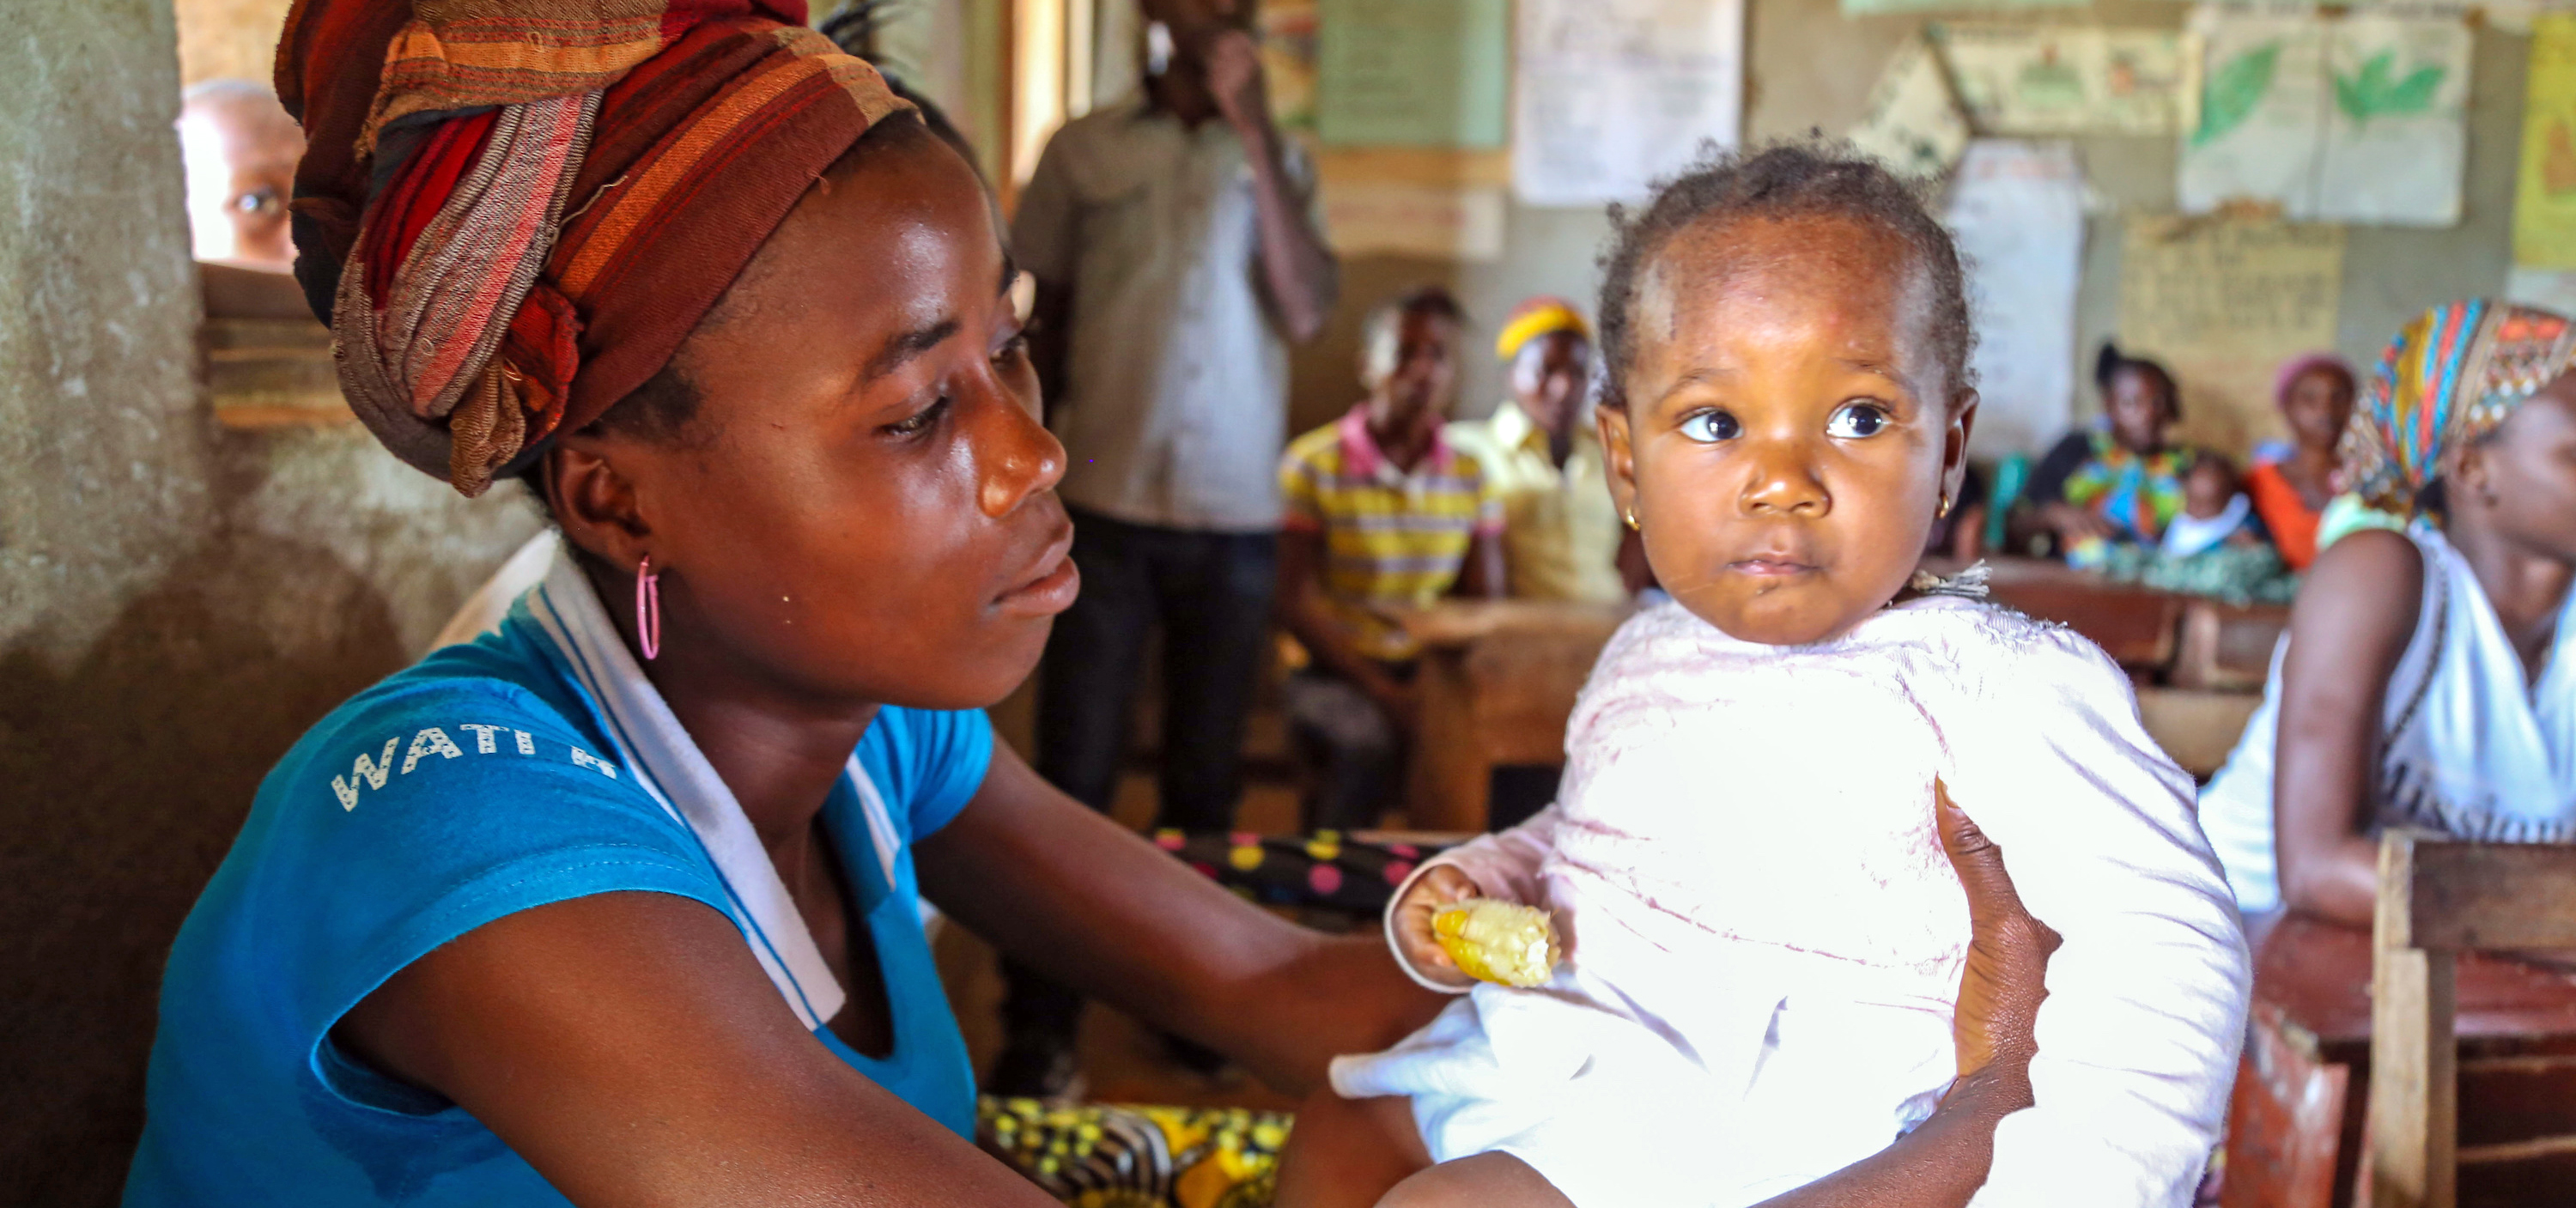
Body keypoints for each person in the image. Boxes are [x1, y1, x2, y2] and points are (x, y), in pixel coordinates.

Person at [126, 4, 2057, 1204]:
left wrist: (1777, 980)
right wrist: (1953, 1132)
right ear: (622, 492)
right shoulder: (470, 839)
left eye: (1010, 355)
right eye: (913, 409)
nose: (1030, 453)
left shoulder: (876, 741)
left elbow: (1276, 987)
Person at [1273, 144, 2249, 1208]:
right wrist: (1488, 882)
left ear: (1952, 450)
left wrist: (2069, 1183)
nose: (1783, 481)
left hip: (1779, 1121)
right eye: (1715, 422)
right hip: (1573, 1051)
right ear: (1627, 463)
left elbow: (2170, 947)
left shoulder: (1997, 681)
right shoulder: (1643, 652)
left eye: (1860, 417)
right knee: (1338, 1134)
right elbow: (1593, 838)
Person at [993, 0, 1337, 1096]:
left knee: (1207, 782)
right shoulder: (1085, 149)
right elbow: (1031, 317)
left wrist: (1251, 127)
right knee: (1076, 778)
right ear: (1151, 13)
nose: (1215, 11)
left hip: (1235, 513)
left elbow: (1309, 306)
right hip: (1108, 505)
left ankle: (1195, 1014)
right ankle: (1039, 1032)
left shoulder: (1278, 156)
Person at [2198, 300, 2576, 925]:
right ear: (2472, 469)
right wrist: (2550, 915)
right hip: (2239, 950)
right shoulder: (2381, 577)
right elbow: (2317, 869)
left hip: (2450, 968)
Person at [1276, 287, 1504, 834]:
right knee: (1365, 745)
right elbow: (1291, 599)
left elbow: (1483, 600)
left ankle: (1443, 889)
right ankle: (1328, 897)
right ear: (1367, 365)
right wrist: (1383, 691)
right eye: (1404, 353)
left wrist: (1429, 686)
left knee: (1496, 743)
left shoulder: (1470, 472)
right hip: (1331, 669)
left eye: (1438, 356)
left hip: (1427, 668)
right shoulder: (1313, 464)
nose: (1422, 370)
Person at [1444, 297, 1625, 605]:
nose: (1563, 388)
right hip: (1520, 630)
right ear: (1510, 373)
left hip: (1608, 623)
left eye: (1577, 372)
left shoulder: (1608, 449)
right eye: (1546, 371)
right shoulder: (1468, 450)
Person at [2025, 343, 2196, 562]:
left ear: (2173, 408)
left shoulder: (2190, 465)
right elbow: (2014, 526)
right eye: (2131, 403)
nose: (2148, 414)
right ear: (2108, 405)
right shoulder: (2076, 449)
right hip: (2073, 584)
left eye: (2158, 402)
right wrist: (2052, 515)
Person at [2243, 353, 2358, 571]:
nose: (2326, 410)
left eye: (2339, 397)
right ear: (2286, 406)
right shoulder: (2257, 484)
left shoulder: (2374, 481)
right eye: (2310, 398)